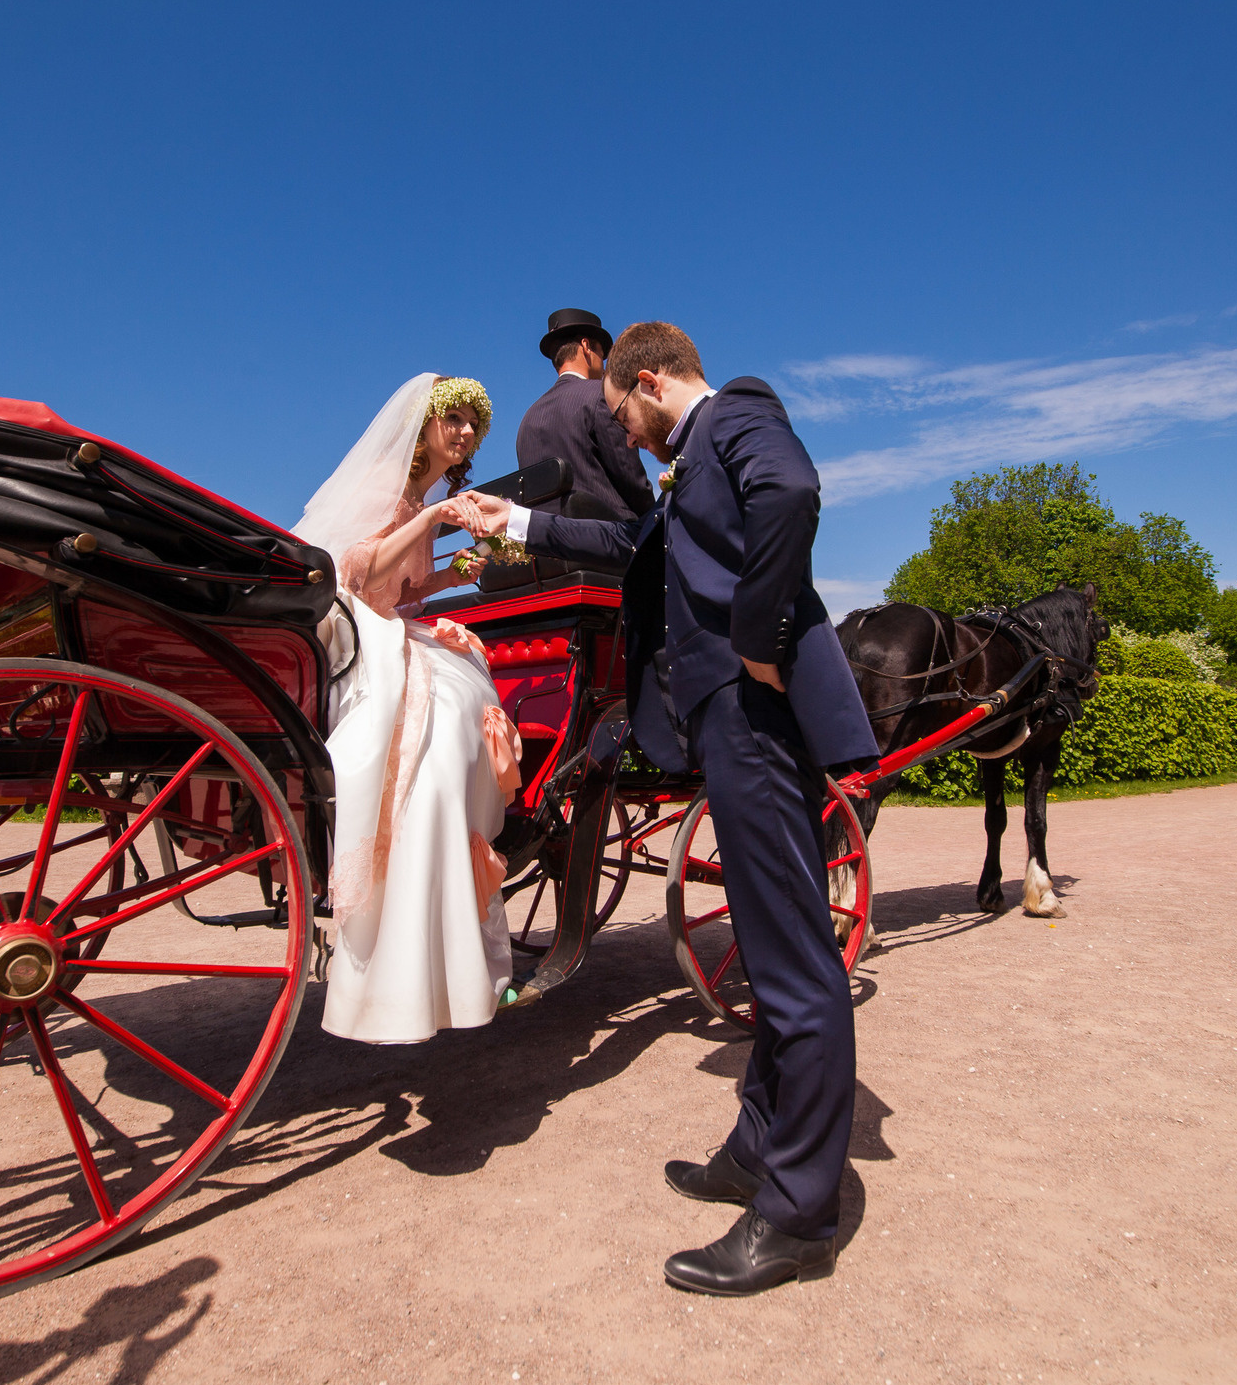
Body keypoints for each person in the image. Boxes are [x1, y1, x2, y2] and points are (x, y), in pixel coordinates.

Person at [459, 321, 876, 1296]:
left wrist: (761, 633)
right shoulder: (689, 464)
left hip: (753, 706)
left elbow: (794, 493)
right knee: (772, 945)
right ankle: (756, 1150)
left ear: (648, 379)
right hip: (726, 720)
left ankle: (798, 1215)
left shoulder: (739, 412)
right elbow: (630, 542)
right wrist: (512, 526)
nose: (627, 435)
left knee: (793, 956)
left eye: (623, 416)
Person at [293, 373, 522, 1045]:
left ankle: (447, 886)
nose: (465, 434)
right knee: (447, 714)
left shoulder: (420, 498)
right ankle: (411, 885)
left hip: (394, 627)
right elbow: (356, 577)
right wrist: (433, 518)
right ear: (420, 427)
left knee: (464, 690)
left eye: (473, 426)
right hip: (358, 639)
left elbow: (407, 591)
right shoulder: (385, 493)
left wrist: (455, 576)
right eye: (452, 420)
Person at [514, 308, 655, 520]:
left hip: (546, 544)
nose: (604, 364)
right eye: (602, 354)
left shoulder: (528, 419)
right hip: (608, 540)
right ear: (586, 346)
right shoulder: (600, 396)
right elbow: (630, 477)